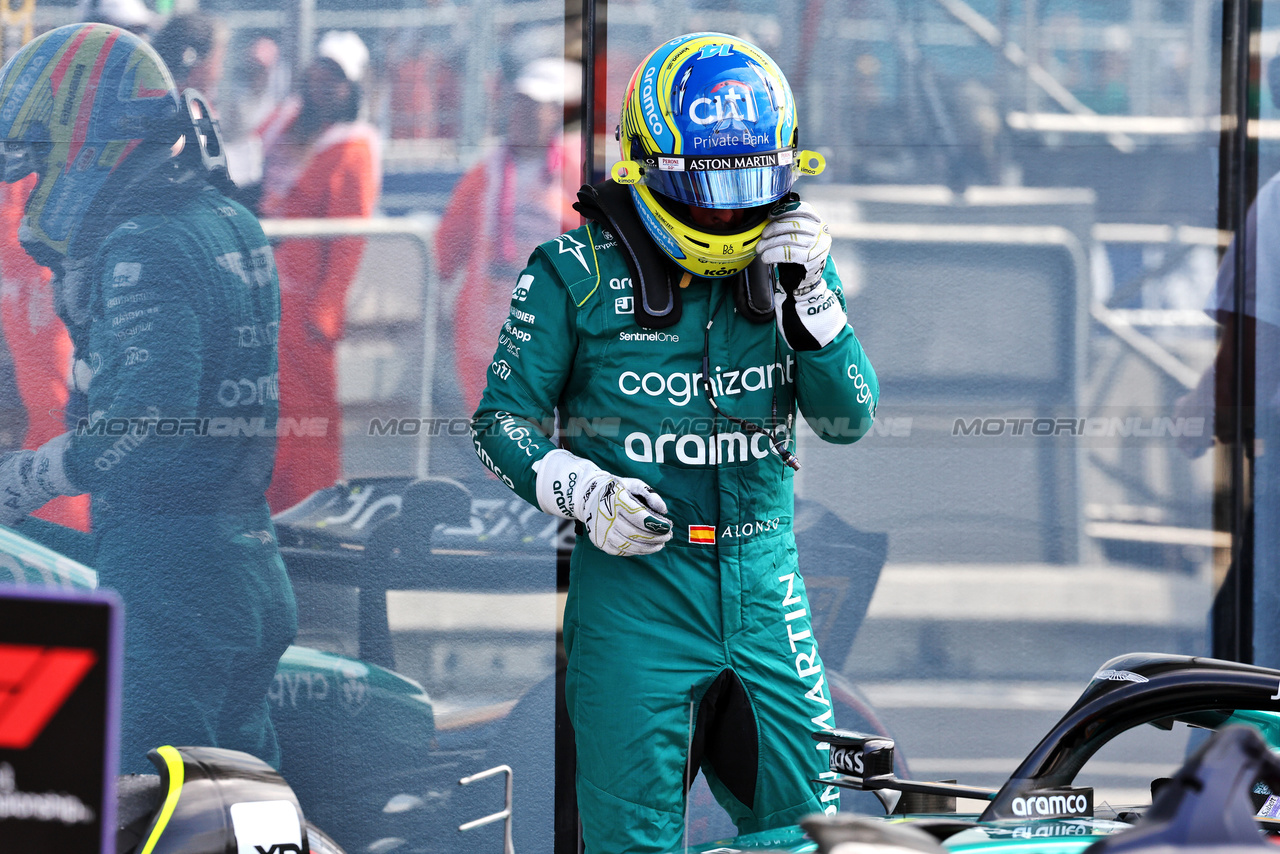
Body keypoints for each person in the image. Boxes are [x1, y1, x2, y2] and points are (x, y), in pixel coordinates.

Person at [470, 32, 879, 852]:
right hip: (637, 596)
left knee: (810, 833)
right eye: (709, 192)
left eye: (752, 188)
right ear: (648, 167)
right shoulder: (572, 272)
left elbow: (847, 420)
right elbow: (498, 423)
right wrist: (579, 491)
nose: (731, 214)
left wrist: (821, 322)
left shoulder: (798, 262)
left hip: (766, 586)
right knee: (630, 841)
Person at [0, 22, 297, 773]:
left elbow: (150, 421)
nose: (35, 183)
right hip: (244, 559)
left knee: (151, 809)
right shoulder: (229, 218)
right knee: (251, 811)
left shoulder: (143, 243)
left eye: (44, 158)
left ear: (87, 143)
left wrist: (30, 476)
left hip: (174, 580)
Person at [253, 30, 381, 512]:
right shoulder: (284, 121)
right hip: (259, 294)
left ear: (354, 89)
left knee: (306, 419)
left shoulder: (355, 146)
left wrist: (324, 313)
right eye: (320, 70)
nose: (325, 84)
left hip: (303, 311)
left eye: (338, 77)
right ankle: (266, 507)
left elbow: (349, 241)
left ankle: (308, 510)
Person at [436, 55, 582, 413]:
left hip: (553, 321)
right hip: (485, 321)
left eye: (539, 106)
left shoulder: (578, 168)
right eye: (521, 102)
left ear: (558, 113)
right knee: (492, 426)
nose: (526, 113)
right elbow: (448, 245)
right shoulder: (486, 170)